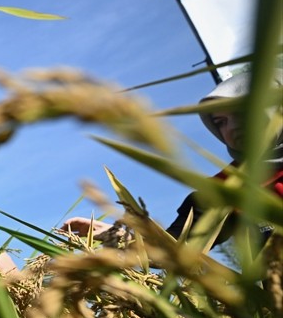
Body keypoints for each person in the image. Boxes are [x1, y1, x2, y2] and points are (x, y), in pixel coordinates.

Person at [62, 69, 283, 246]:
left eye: (240, 112)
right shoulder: (223, 191)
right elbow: (173, 247)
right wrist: (114, 234)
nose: (232, 127)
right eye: (220, 122)